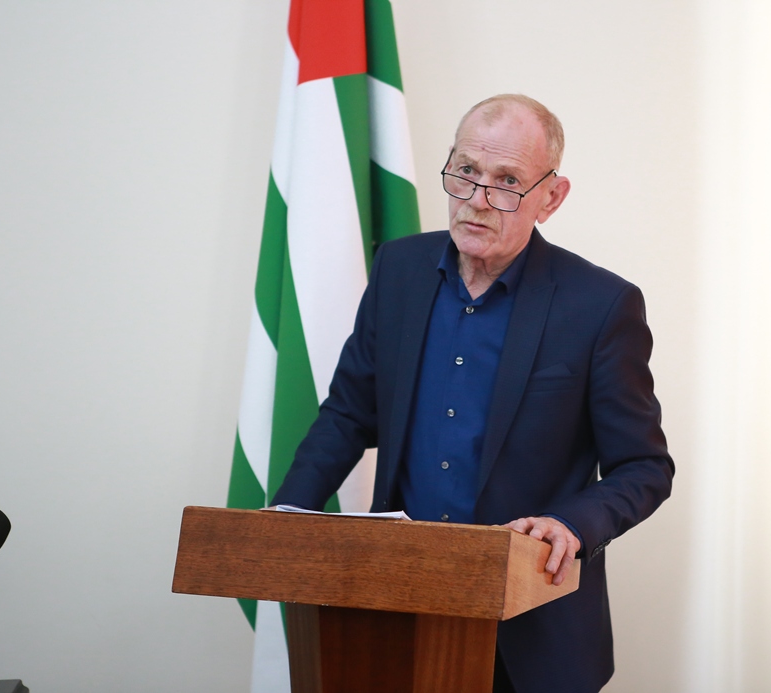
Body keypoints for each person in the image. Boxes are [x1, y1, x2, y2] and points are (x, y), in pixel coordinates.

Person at [270, 94, 673, 693]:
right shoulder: (398, 270)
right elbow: (350, 413)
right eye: (466, 171)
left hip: (533, 629)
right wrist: (286, 519)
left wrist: (571, 523)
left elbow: (644, 467)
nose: (478, 199)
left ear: (551, 197)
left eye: (507, 181)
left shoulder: (601, 305)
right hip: (393, 607)